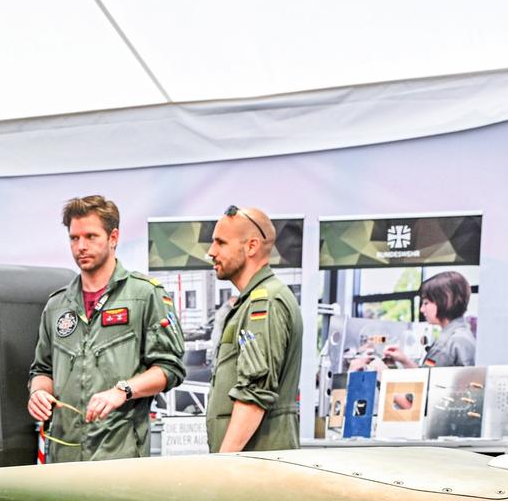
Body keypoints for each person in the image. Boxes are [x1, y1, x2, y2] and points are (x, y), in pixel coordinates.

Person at [27, 195, 184, 462]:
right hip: (65, 455)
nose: (81, 247)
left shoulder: (144, 295)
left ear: (113, 238)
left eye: (91, 236)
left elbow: (170, 369)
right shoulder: (57, 305)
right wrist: (38, 392)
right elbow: (42, 369)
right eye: (74, 238)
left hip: (120, 453)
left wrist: (122, 390)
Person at [202, 205, 302, 452]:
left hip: (254, 467)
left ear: (252, 246)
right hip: (248, 465)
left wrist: (222, 463)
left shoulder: (264, 303)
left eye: (221, 243)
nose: (210, 252)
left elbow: (254, 395)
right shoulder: (252, 302)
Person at [387, 271, 476, 368]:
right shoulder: (462, 335)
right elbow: (429, 369)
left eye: (426, 303)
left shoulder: (446, 344)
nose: (422, 309)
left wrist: (382, 370)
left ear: (446, 300)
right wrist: (404, 361)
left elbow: (424, 379)